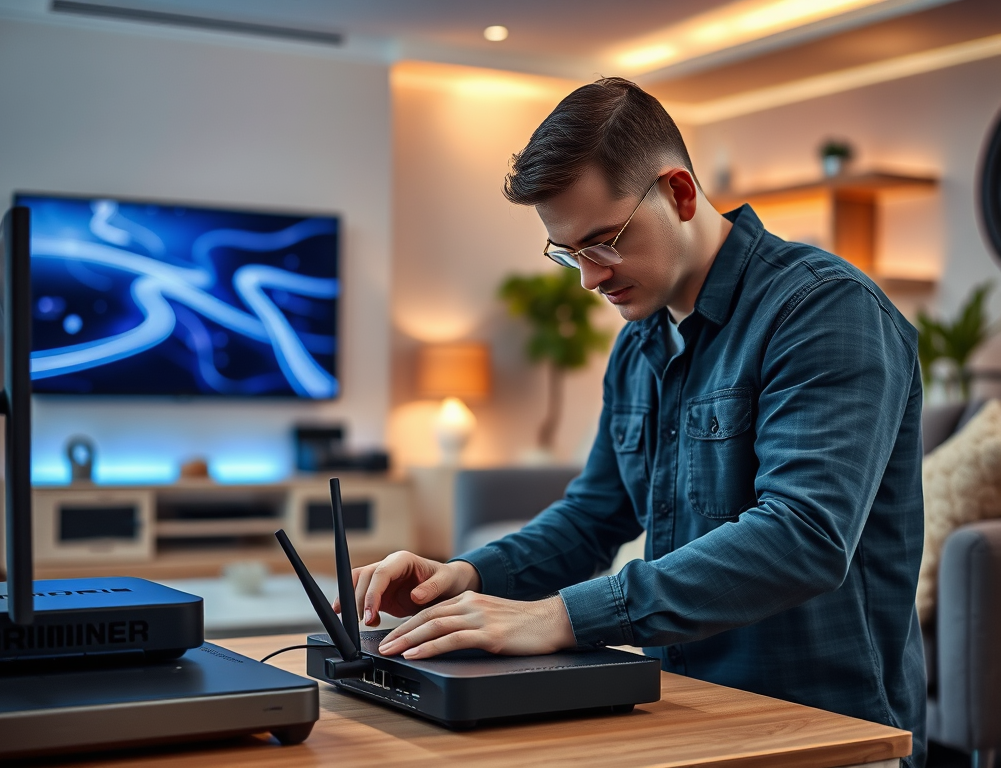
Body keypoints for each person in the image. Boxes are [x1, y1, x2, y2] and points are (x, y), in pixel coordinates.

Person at [336, 77, 926, 767]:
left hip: (826, 731)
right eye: (569, 254)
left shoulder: (825, 312)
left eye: (604, 241)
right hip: (683, 707)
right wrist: (465, 574)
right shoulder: (641, 341)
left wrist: (560, 617)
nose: (589, 278)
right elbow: (594, 517)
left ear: (678, 193)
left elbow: (803, 536)